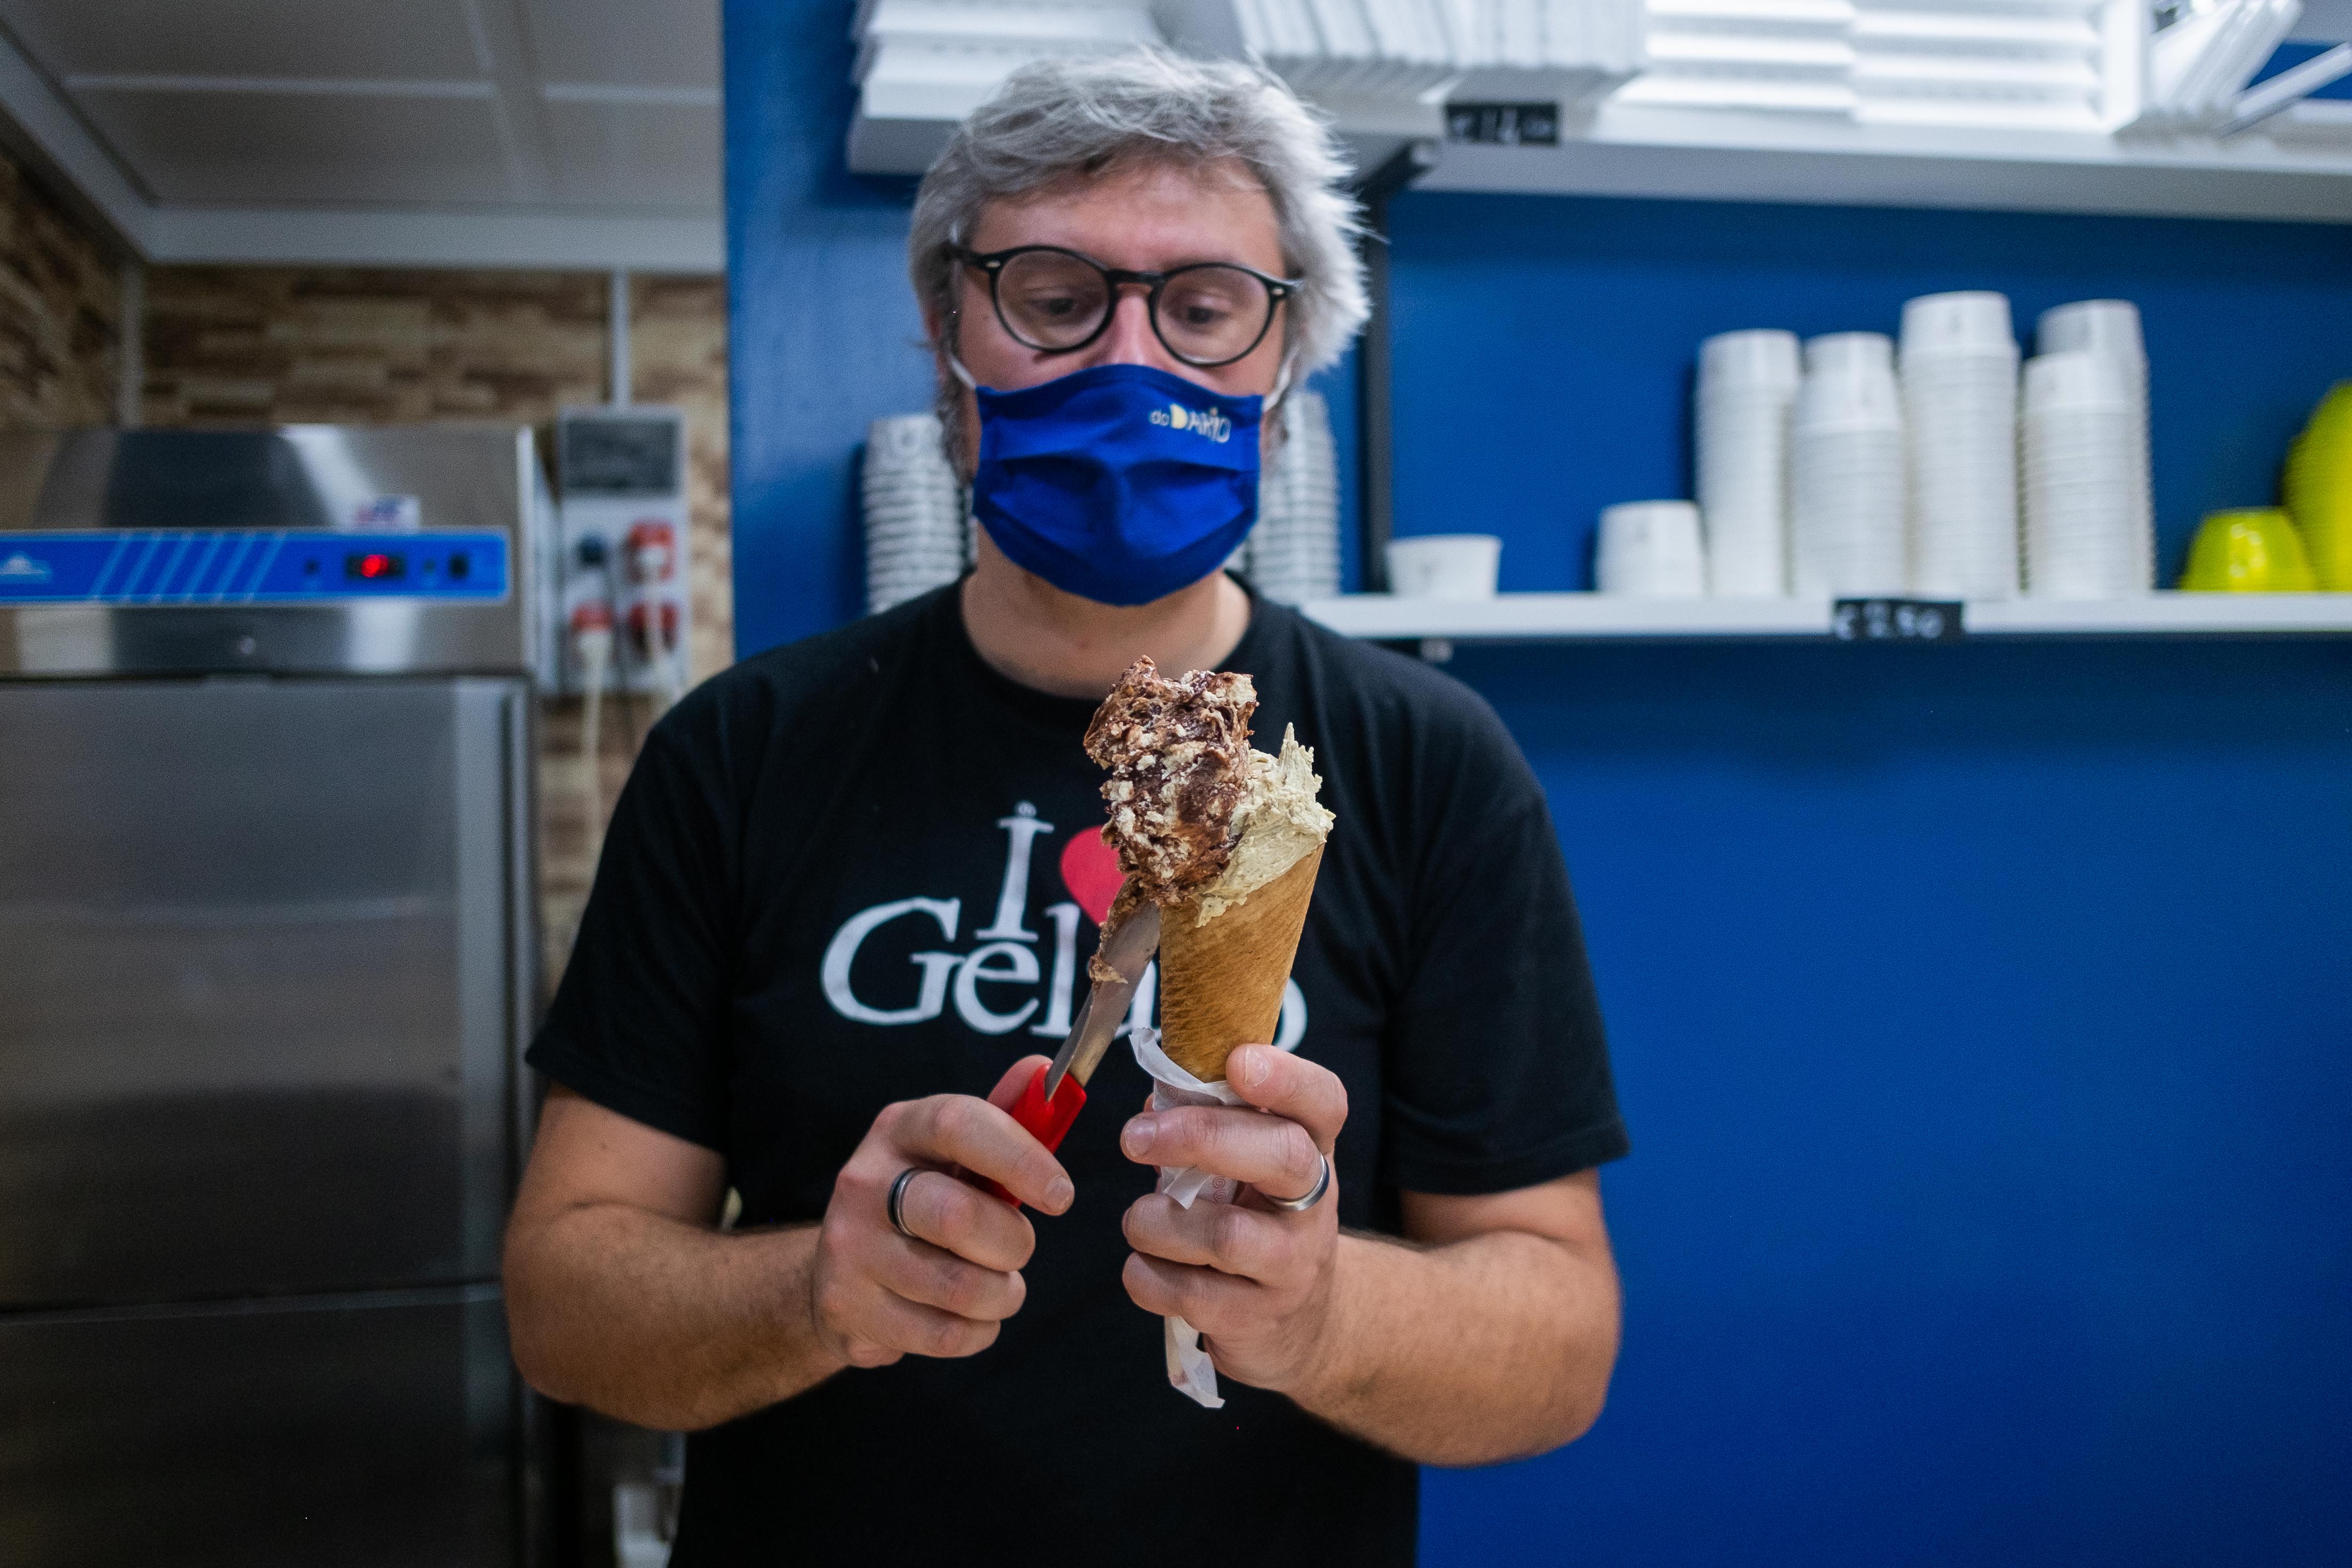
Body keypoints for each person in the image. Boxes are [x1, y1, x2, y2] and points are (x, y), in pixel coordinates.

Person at [503, 48, 1628, 1567]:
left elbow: (1559, 1335)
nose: (1131, 362)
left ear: (1286, 373)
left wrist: (1325, 1311)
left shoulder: (1429, 765)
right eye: (1053, 296)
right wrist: (815, 1290)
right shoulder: (742, 751)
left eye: (1206, 307)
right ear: (946, 339)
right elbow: (563, 1305)